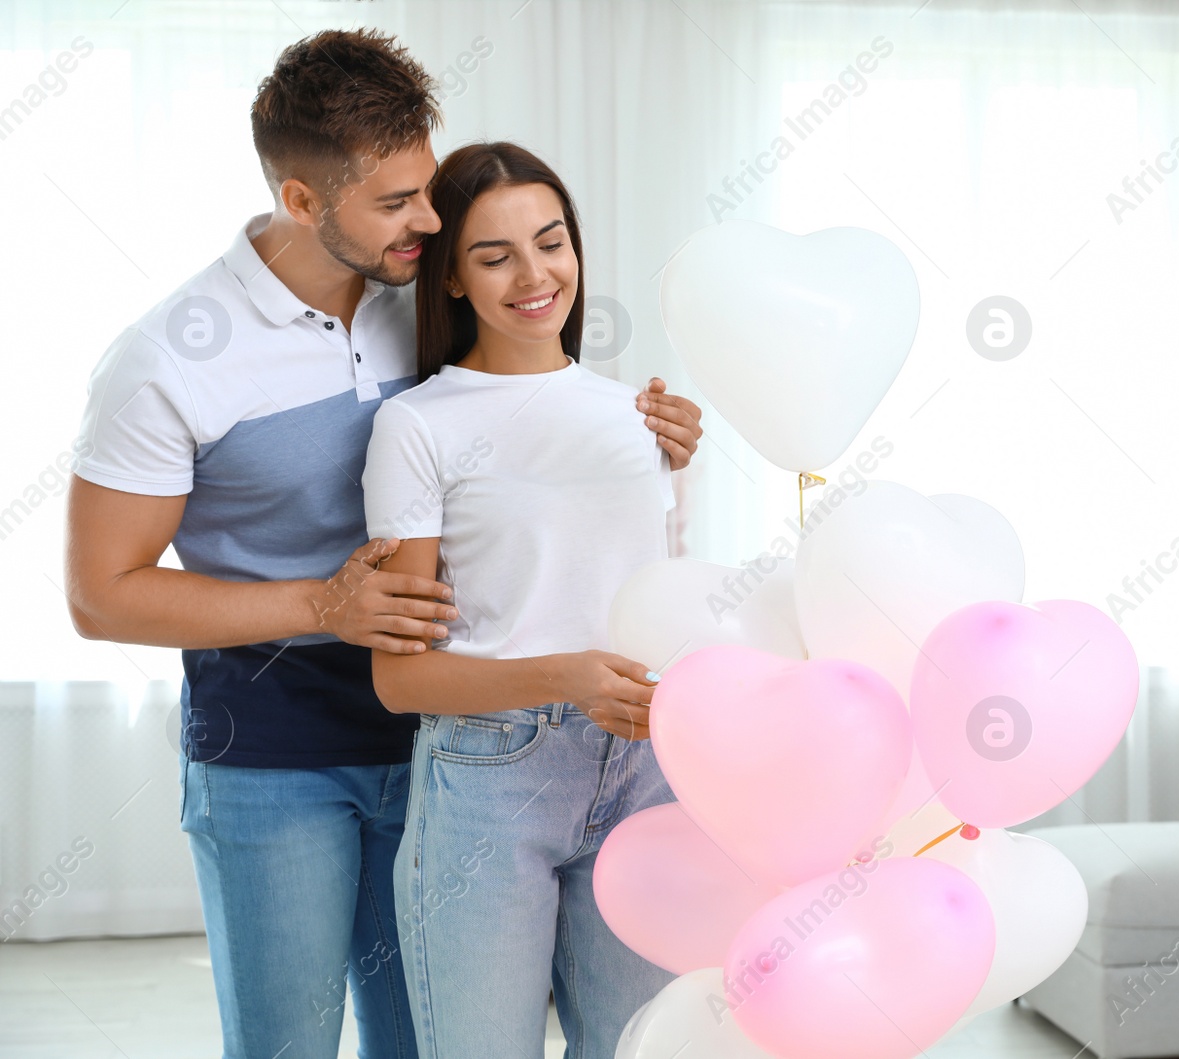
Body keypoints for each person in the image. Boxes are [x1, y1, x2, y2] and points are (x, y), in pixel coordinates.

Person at [63, 30, 701, 1059]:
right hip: (277, 751)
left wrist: (655, 438)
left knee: (426, 1039)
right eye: (397, 202)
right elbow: (101, 596)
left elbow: (524, 439)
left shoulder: (430, 295)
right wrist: (318, 605)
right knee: (289, 1042)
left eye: (426, 187)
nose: (430, 220)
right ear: (303, 202)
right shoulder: (168, 360)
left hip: (453, 741)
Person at [361, 140, 683, 1059]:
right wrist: (568, 676)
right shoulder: (417, 424)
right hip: (490, 777)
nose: (534, 276)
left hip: (646, 766)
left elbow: (664, 596)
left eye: (552, 243)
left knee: (637, 1047)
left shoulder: (641, 416)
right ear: (453, 280)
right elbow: (399, 676)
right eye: (495, 256)